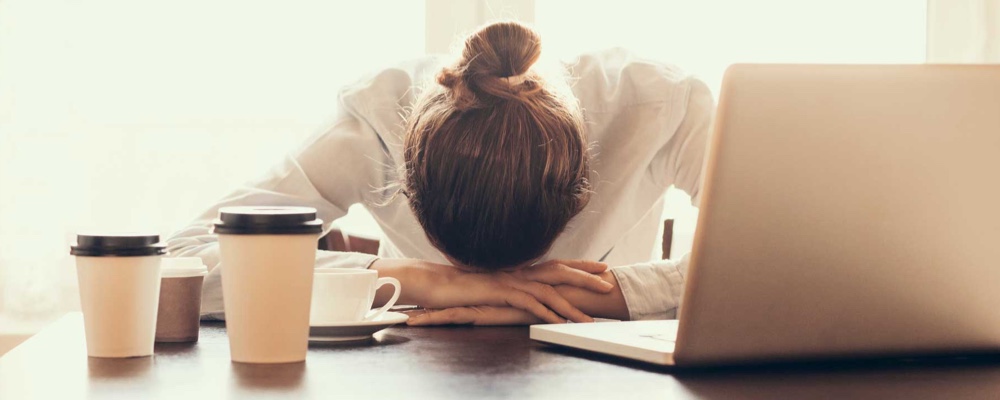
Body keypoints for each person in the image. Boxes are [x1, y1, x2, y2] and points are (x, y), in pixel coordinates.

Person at [167, 21, 714, 325]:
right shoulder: (378, 117)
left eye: (515, 271)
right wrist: (423, 280)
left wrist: (615, 293)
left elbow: (789, 260)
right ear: (404, 179)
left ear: (581, 190)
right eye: (474, 269)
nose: (502, 284)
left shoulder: (659, 103)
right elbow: (177, 262)